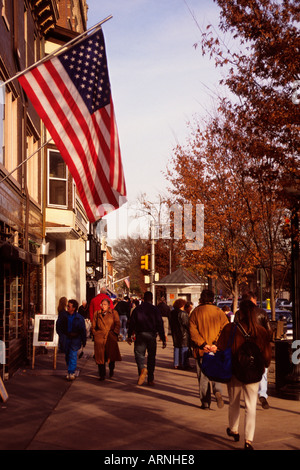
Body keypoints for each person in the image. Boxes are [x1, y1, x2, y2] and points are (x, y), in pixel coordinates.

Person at [217, 299, 272, 450]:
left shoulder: (230, 329)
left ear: (239, 312)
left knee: (234, 402)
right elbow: (267, 355)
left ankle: (234, 429)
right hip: (253, 373)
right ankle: (248, 440)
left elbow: (220, 348)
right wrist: (264, 365)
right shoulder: (261, 331)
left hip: (235, 371)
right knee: (251, 406)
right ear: (254, 313)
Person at [189, 289, 229, 409]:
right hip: (215, 349)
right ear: (212, 299)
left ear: (201, 298)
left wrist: (203, 344)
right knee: (216, 373)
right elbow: (225, 329)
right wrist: (216, 343)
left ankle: (205, 402)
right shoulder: (219, 312)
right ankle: (217, 391)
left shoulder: (195, 312)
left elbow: (192, 331)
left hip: (202, 350)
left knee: (203, 377)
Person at [239, 291, 273, 409]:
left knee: (246, 372)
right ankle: (262, 393)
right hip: (260, 346)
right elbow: (269, 331)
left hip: (244, 348)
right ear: (252, 300)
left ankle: (249, 397)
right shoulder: (262, 313)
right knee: (263, 370)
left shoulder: (239, 313)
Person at [127, 291, 167, 386]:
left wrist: (129, 335)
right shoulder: (155, 310)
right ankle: (150, 379)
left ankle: (142, 369)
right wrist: (163, 338)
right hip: (152, 335)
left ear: (144, 298)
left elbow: (131, 323)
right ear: (152, 299)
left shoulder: (137, 309)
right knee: (151, 357)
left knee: (139, 355)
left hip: (140, 335)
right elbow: (160, 324)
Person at [56, 299, 86, 380]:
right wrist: (61, 335)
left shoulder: (79, 318)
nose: (67, 307)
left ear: (74, 308)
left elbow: (83, 330)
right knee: (67, 356)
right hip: (66, 338)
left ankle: (71, 372)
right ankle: (70, 369)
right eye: (67, 306)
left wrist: (84, 340)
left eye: (69, 306)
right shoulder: (63, 315)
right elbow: (58, 326)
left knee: (73, 355)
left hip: (75, 339)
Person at [92, 298, 121, 380]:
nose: (103, 306)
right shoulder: (97, 314)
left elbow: (118, 324)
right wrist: (95, 333)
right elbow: (93, 326)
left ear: (108, 305)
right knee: (100, 357)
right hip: (100, 337)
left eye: (105, 304)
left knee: (111, 356)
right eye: (102, 304)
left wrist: (115, 333)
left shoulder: (113, 313)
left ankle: (111, 370)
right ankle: (102, 374)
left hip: (110, 336)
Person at [170, 298, 190, 369]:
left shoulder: (172, 313)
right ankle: (184, 364)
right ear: (182, 305)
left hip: (175, 333)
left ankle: (176, 363)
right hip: (183, 333)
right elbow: (186, 324)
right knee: (184, 348)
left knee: (176, 348)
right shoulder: (183, 313)